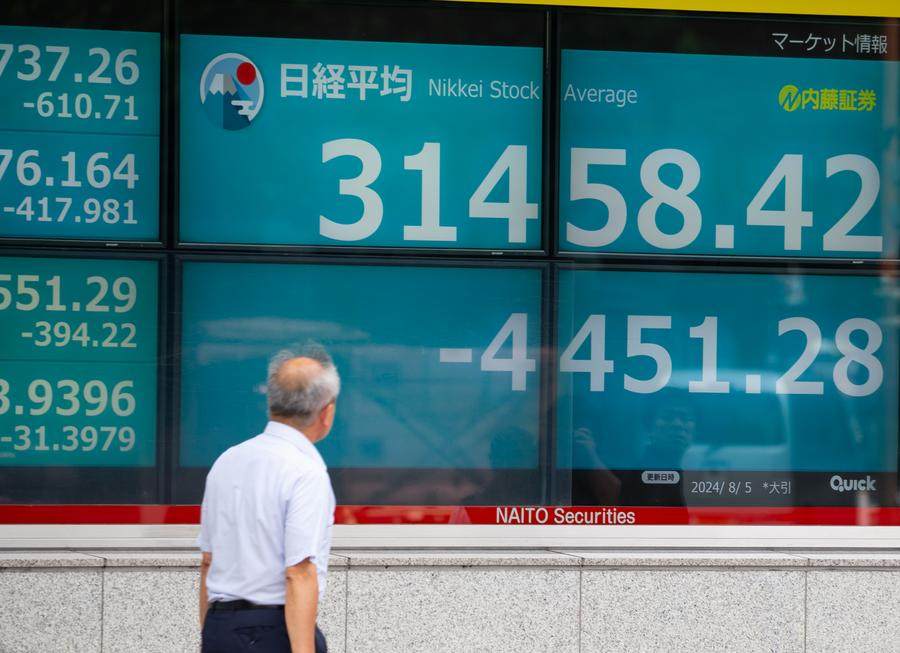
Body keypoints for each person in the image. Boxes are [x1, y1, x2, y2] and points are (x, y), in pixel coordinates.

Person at [198, 347, 340, 653]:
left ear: (272, 404)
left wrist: (210, 636)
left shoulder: (227, 461)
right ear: (326, 412)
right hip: (273, 631)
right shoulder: (306, 471)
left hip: (219, 626)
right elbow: (299, 572)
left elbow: (208, 561)